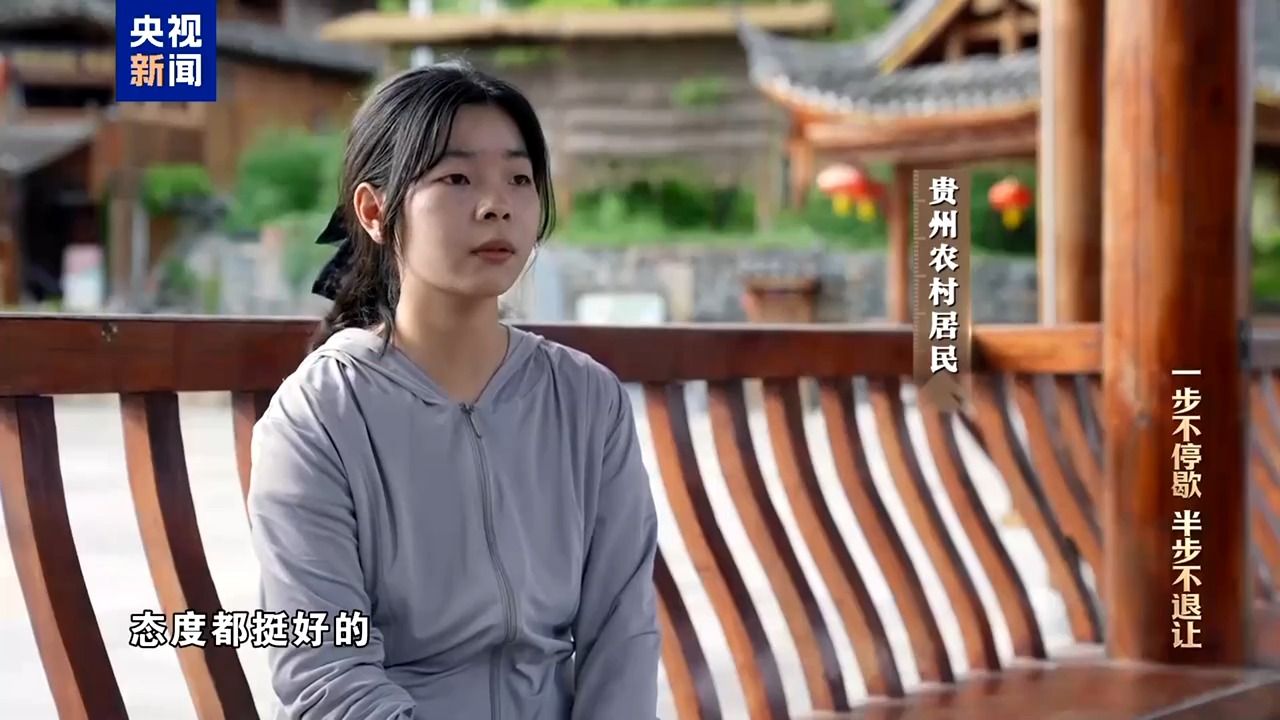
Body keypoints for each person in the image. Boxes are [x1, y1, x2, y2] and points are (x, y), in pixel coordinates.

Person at [246, 62, 661, 719]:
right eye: (457, 178)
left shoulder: (586, 400)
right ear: (375, 211)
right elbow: (325, 675)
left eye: (519, 179)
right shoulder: (319, 416)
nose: (497, 204)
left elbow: (623, 631)